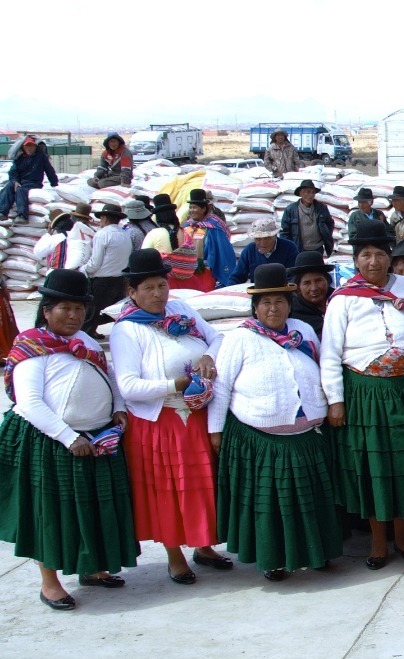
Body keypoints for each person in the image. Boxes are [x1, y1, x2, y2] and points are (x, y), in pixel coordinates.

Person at [0, 269, 137, 611]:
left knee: (91, 507)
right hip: (52, 440)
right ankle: (50, 584)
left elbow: (111, 378)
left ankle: (91, 568)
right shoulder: (32, 345)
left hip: (97, 438)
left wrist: (118, 409)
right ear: (46, 310)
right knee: (51, 513)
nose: (74, 315)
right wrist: (68, 436)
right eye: (65, 308)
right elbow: (29, 402)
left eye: (80, 309)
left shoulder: (87, 342)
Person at [208, 264, 342, 581]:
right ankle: (274, 560)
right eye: (266, 302)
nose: (273, 308)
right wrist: (215, 430)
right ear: (255, 307)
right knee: (272, 506)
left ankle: (316, 553)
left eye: (280, 301)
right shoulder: (240, 338)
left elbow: (325, 368)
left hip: (308, 435)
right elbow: (222, 384)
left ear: (289, 303)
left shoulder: (302, 332)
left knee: (311, 504)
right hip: (264, 440)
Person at [108, 248, 230, 584]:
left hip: (196, 415)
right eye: (148, 288)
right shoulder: (127, 331)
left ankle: (204, 546)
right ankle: (175, 555)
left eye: (162, 285)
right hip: (161, 423)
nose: (158, 294)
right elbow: (129, 386)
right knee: (170, 492)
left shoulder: (180, 309)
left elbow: (218, 336)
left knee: (202, 487)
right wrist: (175, 384)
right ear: (131, 292)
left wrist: (207, 356)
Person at [319, 221, 404, 570]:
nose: (373, 261)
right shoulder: (343, 300)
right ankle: (379, 541)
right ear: (356, 260)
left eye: (380, 254)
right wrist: (335, 401)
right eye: (365, 255)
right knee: (373, 467)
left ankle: (403, 536)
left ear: (391, 258)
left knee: (402, 464)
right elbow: (329, 353)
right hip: (366, 395)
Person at [81, 203, 137, 332]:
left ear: (105, 218)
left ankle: (87, 337)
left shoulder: (102, 234)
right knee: (114, 311)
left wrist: (84, 269)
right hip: (120, 279)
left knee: (92, 313)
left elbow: (95, 262)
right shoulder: (125, 235)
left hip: (102, 281)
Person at [167, 190, 236, 292]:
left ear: (204, 208)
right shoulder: (187, 225)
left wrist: (207, 264)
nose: (192, 210)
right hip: (188, 271)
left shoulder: (214, 226)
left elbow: (221, 251)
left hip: (206, 271)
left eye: (195, 207)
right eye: (190, 207)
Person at [0, 136, 58, 221]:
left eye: (31, 146)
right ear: (23, 147)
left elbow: (50, 171)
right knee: (9, 186)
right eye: (27, 146)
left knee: (20, 190)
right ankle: (3, 212)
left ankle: (22, 216)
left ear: (35, 147)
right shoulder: (19, 159)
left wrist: (54, 183)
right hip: (20, 182)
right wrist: (15, 181)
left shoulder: (41, 157)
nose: (29, 148)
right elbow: (13, 172)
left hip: (33, 182)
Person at [231, 218, 300, 286]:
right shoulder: (249, 250)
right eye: (258, 239)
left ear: (275, 236)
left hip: (283, 291)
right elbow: (237, 276)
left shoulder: (289, 248)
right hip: (258, 292)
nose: (263, 243)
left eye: (267, 238)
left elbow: (293, 277)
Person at [279, 180, 334, 258]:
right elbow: (285, 232)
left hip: (317, 248)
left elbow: (330, 223)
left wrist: (326, 235)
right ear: (301, 193)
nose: (311, 195)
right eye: (308, 192)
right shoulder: (291, 210)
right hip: (299, 249)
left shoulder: (321, 208)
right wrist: (291, 247)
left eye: (313, 192)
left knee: (316, 269)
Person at [287, 251, 334, 335]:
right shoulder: (293, 313)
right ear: (298, 288)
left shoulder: (339, 300)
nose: (314, 288)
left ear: (327, 281)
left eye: (319, 280)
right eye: (307, 283)